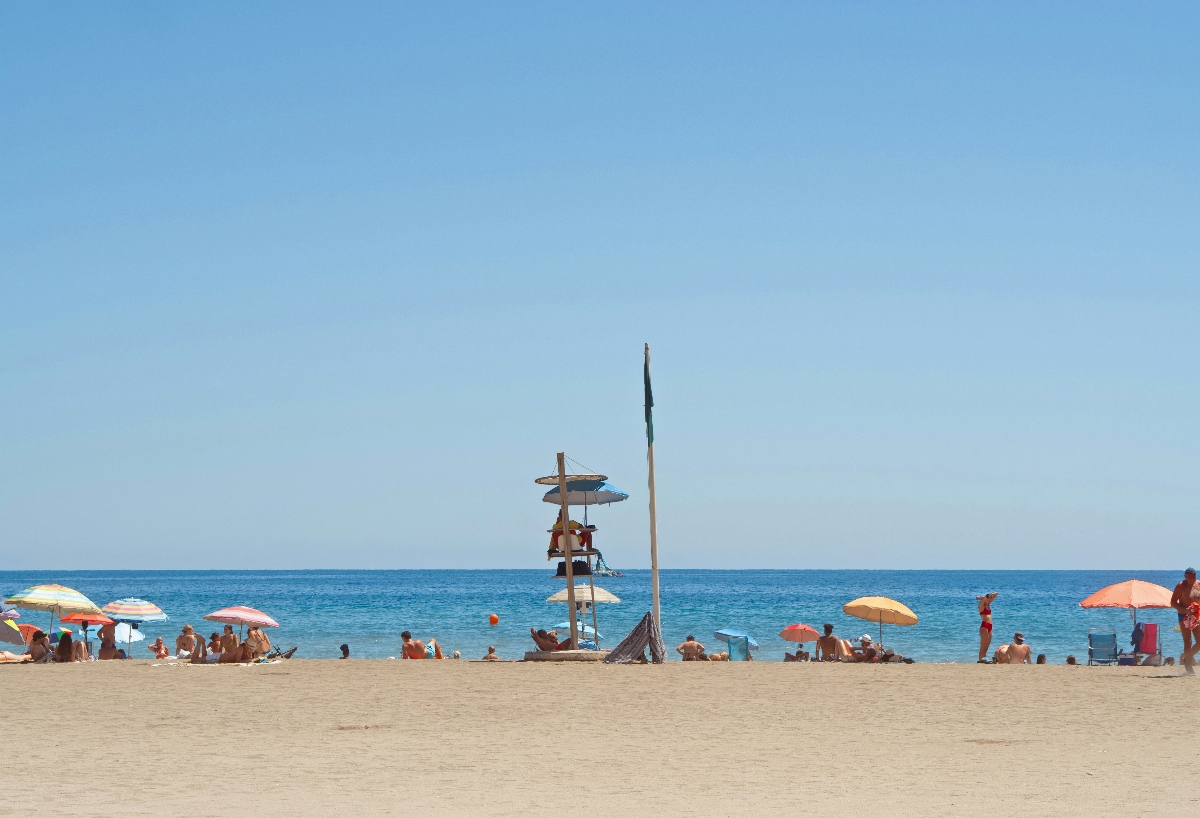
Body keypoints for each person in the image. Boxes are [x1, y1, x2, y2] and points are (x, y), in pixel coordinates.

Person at [1172, 568, 1199, 673]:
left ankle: (1186, 657)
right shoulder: (1181, 586)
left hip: (1196, 616)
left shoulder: (1199, 584)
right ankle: (1189, 667)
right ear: (1185, 576)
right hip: (1184, 616)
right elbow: (1173, 602)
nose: (1192, 578)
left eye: (1194, 576)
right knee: (1187, 641)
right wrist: (1185, 610)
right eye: (1189, 576)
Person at [976, 592, 998, 663]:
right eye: (989, 599)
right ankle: (981, 660)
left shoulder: (988, 604)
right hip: (984, 625)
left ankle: (984, 659)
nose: (990, 600)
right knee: (983, 646)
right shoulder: (981, 605)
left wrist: (991, 595)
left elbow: (996, 594)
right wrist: (982, 598)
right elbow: (984, 598)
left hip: (990, 626)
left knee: (987, 646)